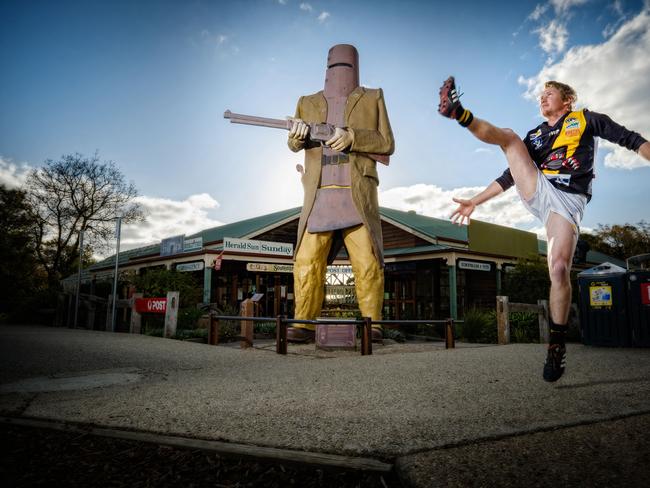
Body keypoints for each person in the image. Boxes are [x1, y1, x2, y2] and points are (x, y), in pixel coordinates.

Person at [438, 77, 650, 381]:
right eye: (540, 95)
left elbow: (632, 140)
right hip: (538, 188)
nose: (542, 98)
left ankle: (556, 345)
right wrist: (476, 201)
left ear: (567, 100)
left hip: (567, 201)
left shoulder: (587, 120)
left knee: (559, 268)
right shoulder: (535, 135)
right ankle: (458, 112)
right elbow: (509, 175)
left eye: (549, 94)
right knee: (510, 138)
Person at [286, 44, 395, 343]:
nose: (339, 72)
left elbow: (387, 142)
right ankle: (303, 323)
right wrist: (296, 139)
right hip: (319, 195)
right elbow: (293, 143)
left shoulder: (373, 97)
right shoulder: (306, 102)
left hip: (357, 195)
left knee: (368, 262)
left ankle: (373, 324)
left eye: (344, 66)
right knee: (306, 260)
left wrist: (352, 137)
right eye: (335, 66)